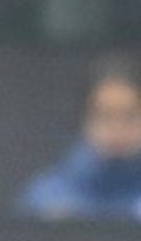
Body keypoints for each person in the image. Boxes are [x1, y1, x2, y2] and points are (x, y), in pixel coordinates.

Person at [18, 53, 141, 220]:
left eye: (130, 116)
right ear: (85, 122)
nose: (117, 127)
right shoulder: (45, 202)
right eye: (104, 116)